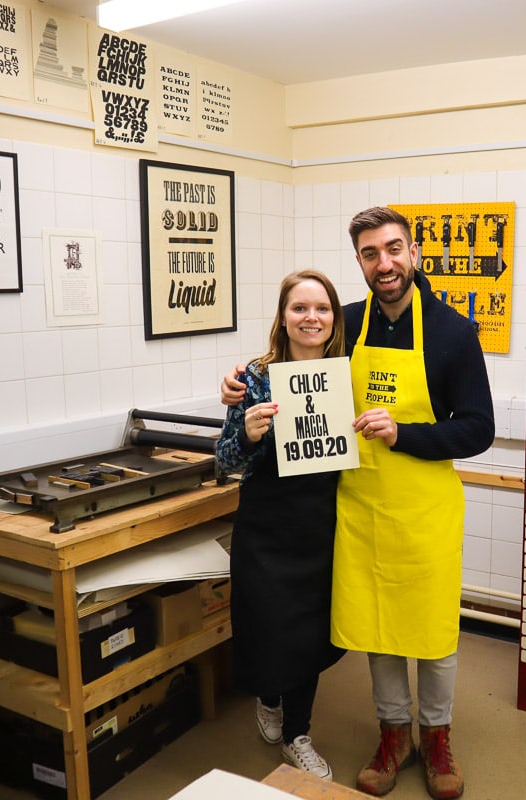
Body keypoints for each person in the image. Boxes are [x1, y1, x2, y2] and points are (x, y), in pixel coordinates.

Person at [222, 207, 495, 799]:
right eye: (371, 254)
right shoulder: (348, 324)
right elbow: (298, 357)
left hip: (424, 509)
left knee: (432, 630)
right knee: (376, 626)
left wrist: (406, 433)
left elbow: (478, 430)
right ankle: (394, 733)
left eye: (393, 249)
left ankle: (438, 736)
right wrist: (242, 380)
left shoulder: (452, 332)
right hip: (358, 506)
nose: (385, 263)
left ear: (414, 252)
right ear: (360, 263)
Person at [214, 269, 348, 781]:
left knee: (309, 637)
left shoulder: (345, 373)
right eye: (299, 308)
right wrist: (246, 435)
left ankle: (297, 735)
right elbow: (224, 461)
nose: (311, 317)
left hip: (320, 525)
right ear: (283, 316)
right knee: (268, 627)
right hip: (266, 527)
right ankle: (268, 698)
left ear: (334, 317)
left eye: (322, 308)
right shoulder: (253, 377)